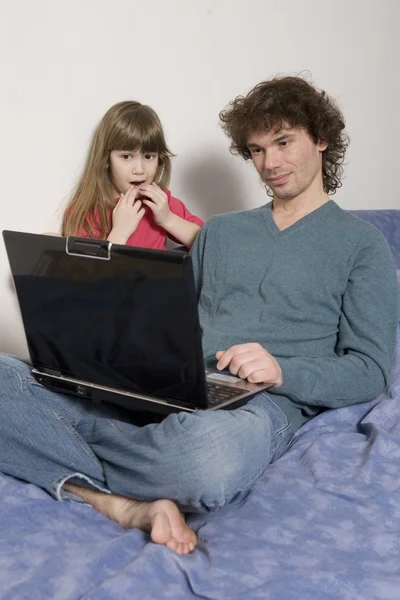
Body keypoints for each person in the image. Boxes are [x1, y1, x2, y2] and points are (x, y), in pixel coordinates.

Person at [0, 76, 398, 556]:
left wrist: (281, 369)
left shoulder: (361, 244)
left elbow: (369, 370)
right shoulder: (221, 232)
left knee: (204, 460)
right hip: (171, 388)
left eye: (284, 142)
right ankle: (122, 497)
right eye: (256, 150)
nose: (269, 163)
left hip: (256, 407)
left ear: (321, 138)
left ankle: (78, 462)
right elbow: (164, 321)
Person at [60, 101, 203, 249]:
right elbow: (86, 269)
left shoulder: (160, 202)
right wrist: (120, 232)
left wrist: (168, 219)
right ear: (106, 159)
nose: (139, 170)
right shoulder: (85, 211)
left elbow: (209, 243)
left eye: (148, 156)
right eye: (126, 156)